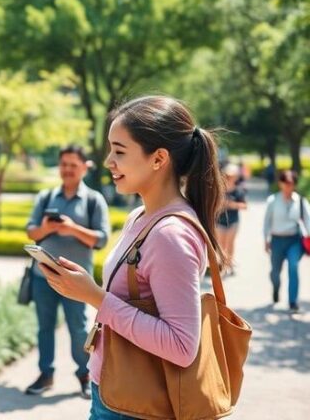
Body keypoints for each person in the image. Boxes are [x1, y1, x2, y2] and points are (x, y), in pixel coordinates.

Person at [40, 95, 225, 419]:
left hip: (135, 405)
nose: (109, 160)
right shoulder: (140, 216)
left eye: (120, 151)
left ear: (158, 159)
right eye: (110, 149)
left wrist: (95, 297)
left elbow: (182, 347)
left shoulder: (170, 236)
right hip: (114, 391)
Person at [24, 145, 110, 399]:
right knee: (44, 328)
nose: (67, 170)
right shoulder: (46, 197)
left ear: (84, 167)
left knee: (79, 328)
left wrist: (73, 229)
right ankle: (46, 374)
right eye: (64, 164)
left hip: (76, 280)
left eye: (73, 165)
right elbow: (31, 232)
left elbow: (102, 239)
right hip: (43, 277)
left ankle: (85, 375)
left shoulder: (94, 200)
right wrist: (45, 228)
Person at [263, 169, 309, 313]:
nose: (288, 186)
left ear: (294, 184)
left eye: (291, 183)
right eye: (286, 183)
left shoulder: (300, 201)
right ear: (280, 183)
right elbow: (267, 222)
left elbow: (308, 220)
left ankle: (293, 301)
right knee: (275, 272)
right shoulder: (273, 200)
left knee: (293, 267)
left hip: (294, 240)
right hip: (277, 240)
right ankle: (276, 288)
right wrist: (266, 239)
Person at [215, 163, 247, 275]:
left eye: (231, 175)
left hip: (233, 220)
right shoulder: (219, 189)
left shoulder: (238, 190)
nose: (229, 177)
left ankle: (229, 264)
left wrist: (232, 205)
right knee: (221, 244)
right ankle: (222, 265)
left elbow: (244, 206)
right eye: (227, 175)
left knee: (230, 243)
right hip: (220, 220)